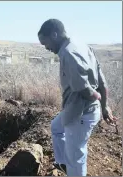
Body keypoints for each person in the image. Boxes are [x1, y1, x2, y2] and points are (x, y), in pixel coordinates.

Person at [37, 19, 117, 176]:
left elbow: (84, 89)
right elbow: (101, 79)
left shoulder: (68, 53)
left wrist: (98, 97)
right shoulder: (81, 45)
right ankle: (63, 164)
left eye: (45, 43)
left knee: (76, 158)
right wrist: (105, 106)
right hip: (76, 109)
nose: (46, 48)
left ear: (54, 35)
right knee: (56, 127)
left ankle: (71, 167)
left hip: (80, 113)